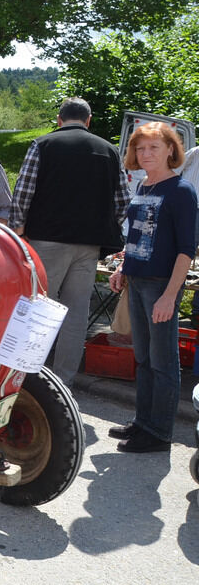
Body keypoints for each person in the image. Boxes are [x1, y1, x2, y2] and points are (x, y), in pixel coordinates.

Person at [10, 97, 130, 386]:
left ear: (59, 119)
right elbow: (124, 201)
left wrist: (19, 231)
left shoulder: (44, 145)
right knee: (76, 313)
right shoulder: (109, 150)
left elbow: (22, 194)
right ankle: (62, 382)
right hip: (88, 246)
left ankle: (26, 379)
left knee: (39, 308)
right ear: (88, 121)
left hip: (45, 241)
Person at [107, 122, 196, 452]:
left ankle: (159, 434)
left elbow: (187, 249)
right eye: (141, 148)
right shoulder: (143, 186)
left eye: (154, 148)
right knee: (143, 359)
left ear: (170, 150)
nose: (146, 154)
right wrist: (123, 270)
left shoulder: (181, 191)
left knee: (163, 363)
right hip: (139, 281)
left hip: (161, 286)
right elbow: (136, 237)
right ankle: (143, 422)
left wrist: (170, 296)